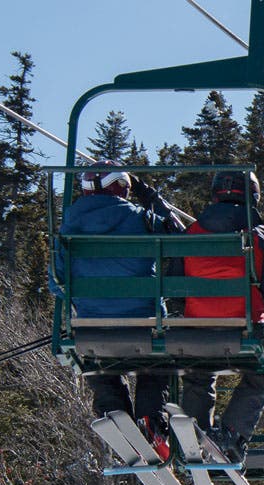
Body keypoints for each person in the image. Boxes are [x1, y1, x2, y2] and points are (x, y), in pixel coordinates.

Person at [49, 160, 185, 457]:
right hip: (145, 326)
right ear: (121, 186)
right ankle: (150, 420)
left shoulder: (67, 229)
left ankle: (115, 413)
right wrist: (150, 198)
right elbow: (182, 240)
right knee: (155, 362)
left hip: (91, 331)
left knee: (98, 363)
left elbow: (57, 284)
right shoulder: (142, 219)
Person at [180, 171, 264, 462]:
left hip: (196, 330)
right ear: (253, 196)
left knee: (198, 373)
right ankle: (230, 433)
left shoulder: (192, 232)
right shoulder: (258, 233)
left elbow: (174, 282)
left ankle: (195, 433)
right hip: (245, 329)